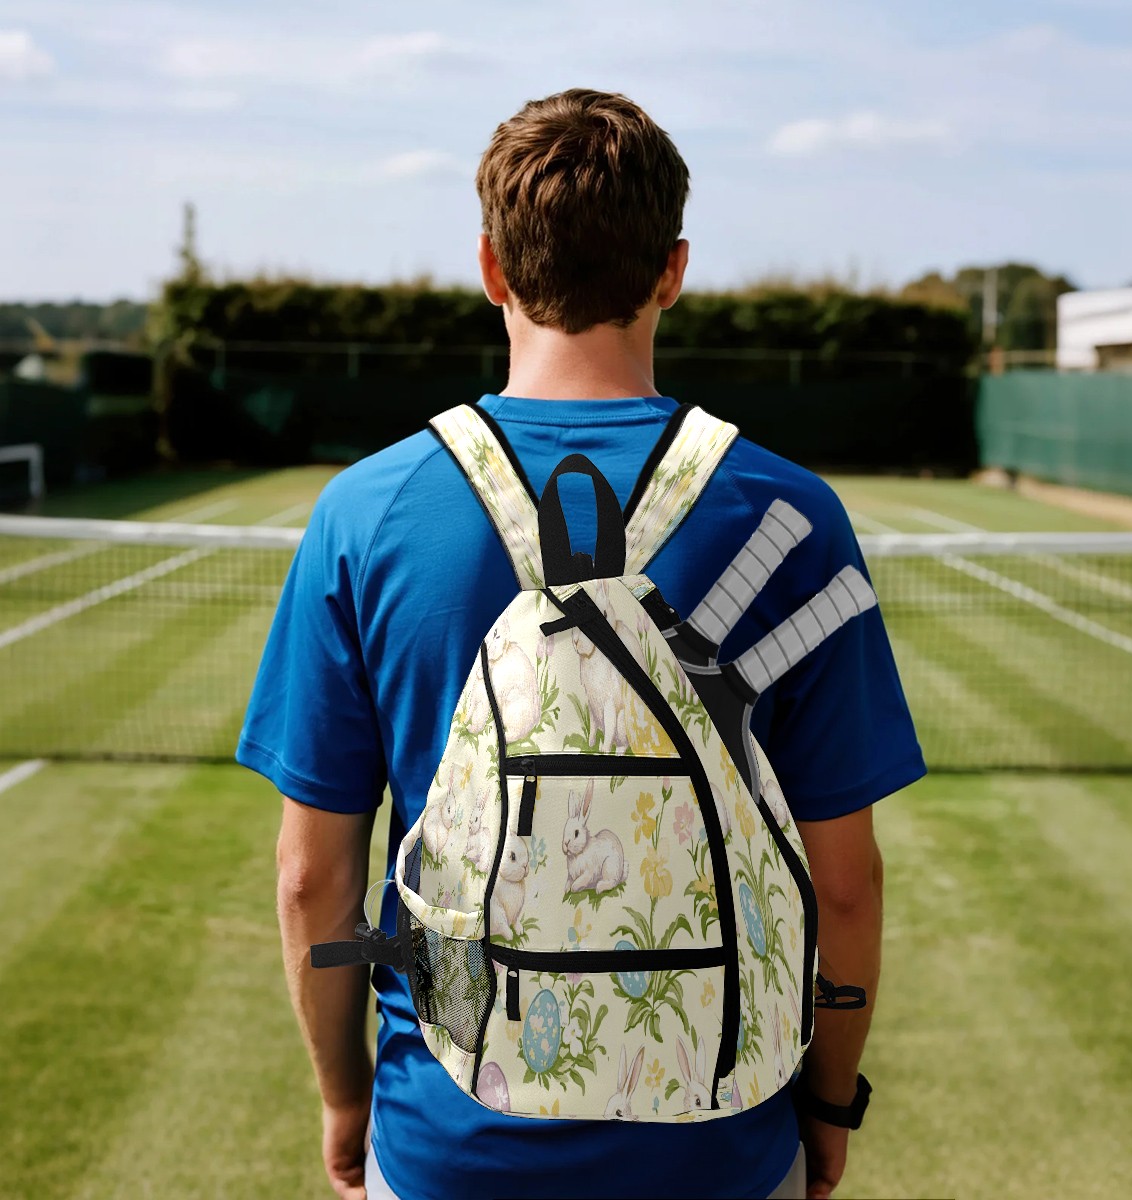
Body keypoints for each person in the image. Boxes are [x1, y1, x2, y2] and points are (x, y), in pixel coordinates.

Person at [238, 88, 925, 1200]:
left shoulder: (364, 513)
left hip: (447, 1140)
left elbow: (312, 875)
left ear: (491, 268)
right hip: (724, 1146)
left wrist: (346, 1098)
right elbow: (844, 888)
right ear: (674, 272)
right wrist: (829, 1102)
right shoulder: (792, 515)